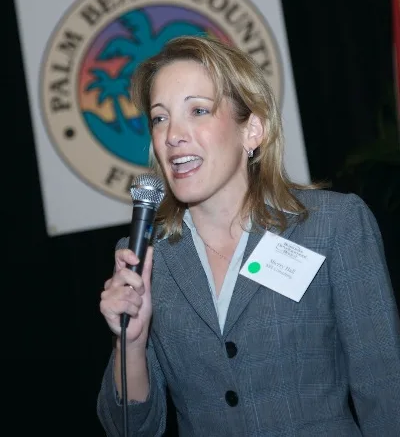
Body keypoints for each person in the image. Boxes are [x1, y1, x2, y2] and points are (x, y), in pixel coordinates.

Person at [97, 35, 400, 437]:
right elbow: (129, 429)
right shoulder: (146, 259)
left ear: (252, 131)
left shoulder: (331, 225)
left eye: (198, 110)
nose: (172, 135)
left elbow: (385, 390)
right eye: (160, 118)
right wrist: (130, 346)